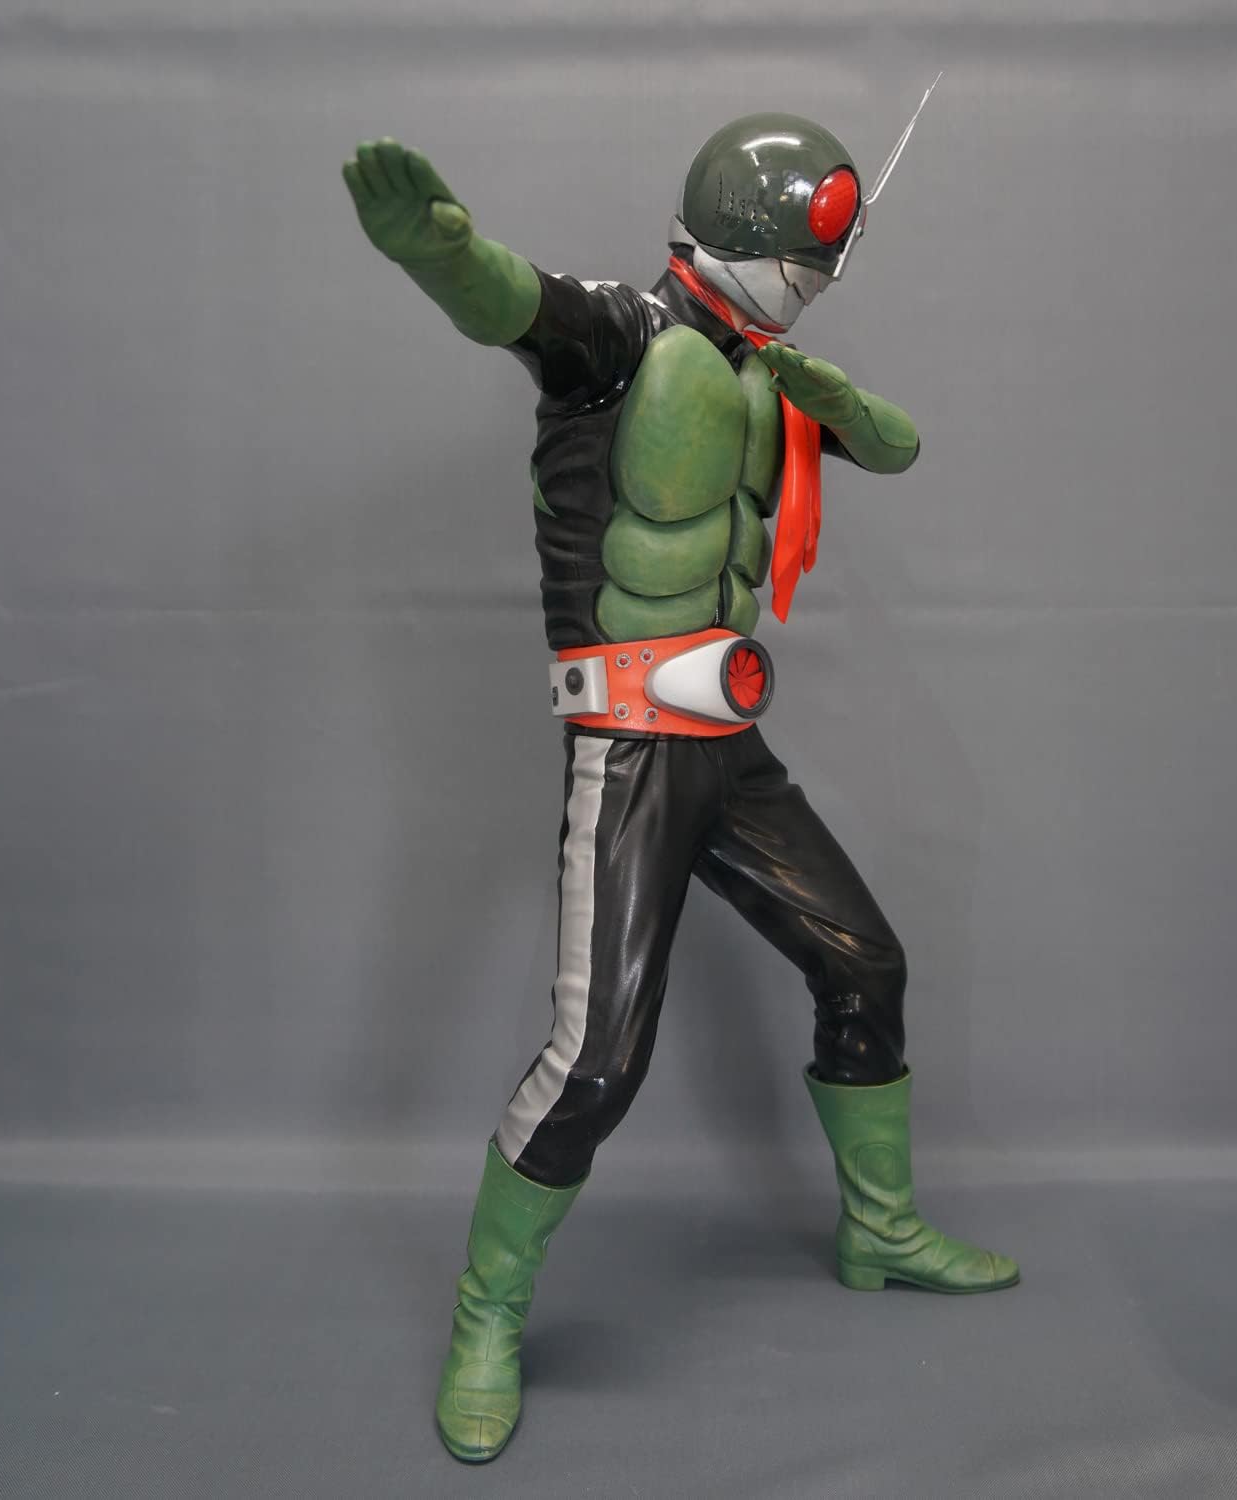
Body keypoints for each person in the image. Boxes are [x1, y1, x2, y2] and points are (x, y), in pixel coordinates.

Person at [342, 112, 1019, 1465]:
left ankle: (880, 1228)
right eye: (803, 262)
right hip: (633, 746)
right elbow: (510, 301)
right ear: (744, 236)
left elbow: (896, 448)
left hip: (732, 747)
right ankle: (488, 1314)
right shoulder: (618, 340)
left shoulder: (768, 374)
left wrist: (832, 400)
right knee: (597, 1060)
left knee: (863, 961)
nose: (814, 286)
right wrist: (439, 254)